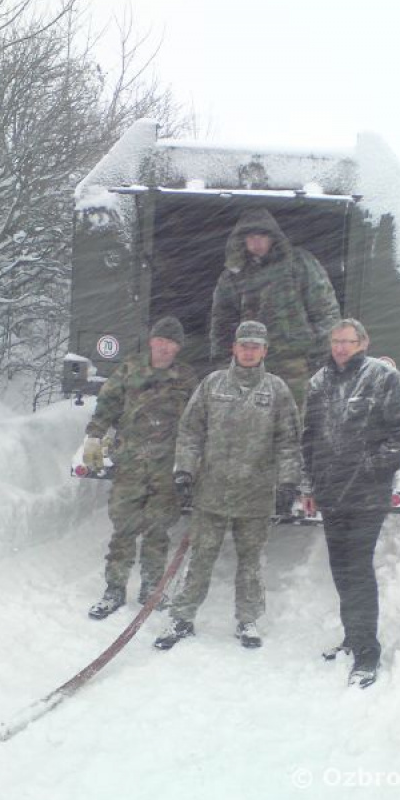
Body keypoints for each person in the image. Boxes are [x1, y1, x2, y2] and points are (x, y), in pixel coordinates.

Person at [154, 320, 301, 651]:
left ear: (265, 351)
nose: (249, 351)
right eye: (244, 345)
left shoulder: (276, 390)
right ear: (234, 348)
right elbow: (191, 431)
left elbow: (289, 441)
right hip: (213, 492)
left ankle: (247, 620)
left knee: (250, 563)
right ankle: (182, 617)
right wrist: (184, 472)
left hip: (256, 494)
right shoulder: (213, 385)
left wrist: (288, 481)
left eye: (256, 346)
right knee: (201, 558)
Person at [301, 318, 400, 687]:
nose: (340, 347)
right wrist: (310, 486)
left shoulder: (382, 377)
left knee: (358, 568)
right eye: (336, 341)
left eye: (348, 341)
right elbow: (309, 439)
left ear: (363, 343)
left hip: (367, 494)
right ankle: (353, 638)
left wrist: (369, 466)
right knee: (341, 569)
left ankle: (368, 652)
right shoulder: (319, 382)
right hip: (332, 494)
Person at [83, 316, 197, 619]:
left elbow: (196, 421)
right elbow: (107, 404)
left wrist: (195, 459)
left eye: (171, 342)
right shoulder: (129, 369)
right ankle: (114, 589)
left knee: (158, 530)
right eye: (161, 340)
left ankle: (151, 588)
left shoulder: (186, 377)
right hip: (131, 462)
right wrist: (94, 437)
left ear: (178, 347)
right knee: (124, 528)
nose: (165, 347)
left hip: (165, 466)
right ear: (152, 341)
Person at [209, 207, 340, 409]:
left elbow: (324, 311)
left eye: (262, 236)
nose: (257, 242)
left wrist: (323, 356)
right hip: (249, 364)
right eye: (251, 237)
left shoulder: (299, 264)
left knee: (295, 424)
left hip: (294, 363)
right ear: (242, 240)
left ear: (273, 238)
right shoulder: (233, 276)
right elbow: (222, 322)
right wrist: (223, 362)